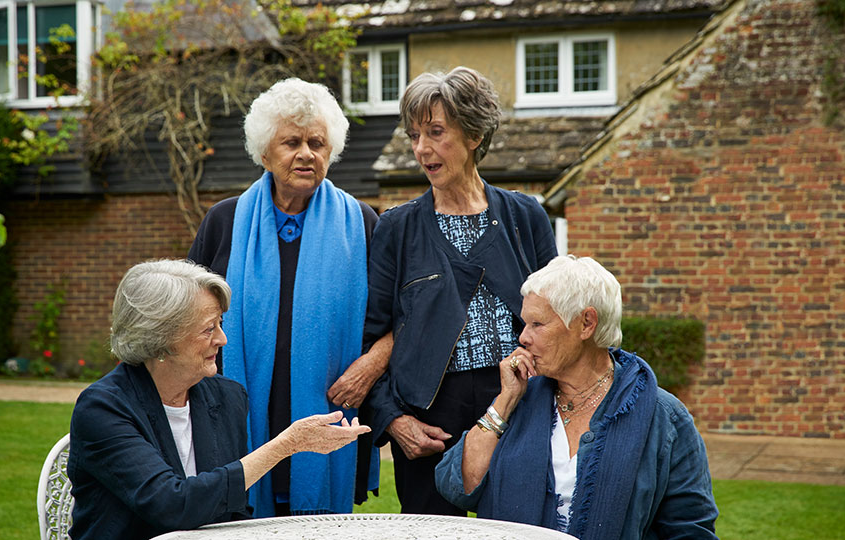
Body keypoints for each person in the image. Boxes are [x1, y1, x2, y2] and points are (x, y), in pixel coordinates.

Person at [363, 66, 558, 515]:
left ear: (473, 135)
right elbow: (371, 338)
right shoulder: (397, 227)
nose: (421, 149)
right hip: (430, 419)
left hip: (516, 404)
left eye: (435, 132)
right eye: (414, 135)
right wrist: (395, 421)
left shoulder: (525, 216)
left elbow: (558, 322)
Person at [188, 78, 387, 517]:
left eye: (317, 143)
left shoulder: (362, 223)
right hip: (237, 413)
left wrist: (370, 365)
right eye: (291, 142)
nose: (306, 153)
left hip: (330, 407)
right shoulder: (224, 221)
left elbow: (396, 319)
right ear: (264, 153)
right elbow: (185, 318)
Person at [67, 260, 369, 540]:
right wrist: (286, 445)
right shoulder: (103, 408)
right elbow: (171, 505)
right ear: (159, 339)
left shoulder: (226, 396)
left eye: (220, 324)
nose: (222, 339)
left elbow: (234, 512)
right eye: (209, 328)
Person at [434, 255, 719, 539]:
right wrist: (505, 400)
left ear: (586, 323)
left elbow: (690, 529)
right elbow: (460, 487)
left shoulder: (663, 417)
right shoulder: (519, 399)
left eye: (537, 324)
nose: (522, 337)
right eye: (525, 323)